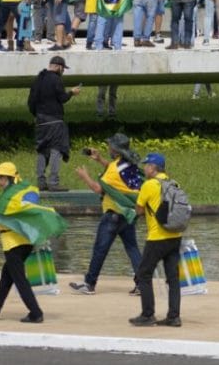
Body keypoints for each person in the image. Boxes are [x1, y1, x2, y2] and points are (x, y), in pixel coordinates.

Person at [0, 161, 51, 324]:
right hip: (28, 240)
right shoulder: (27, 189)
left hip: (13, 243)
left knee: (20, 279)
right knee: (7, 275)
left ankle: (36, 312)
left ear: (5, 178)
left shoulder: (8, 196)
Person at [70, 133, 143, 297]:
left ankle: (89, 284)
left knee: (100, 250)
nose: (108, 148)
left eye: (110, 146)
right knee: (132, 249)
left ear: (116, 150)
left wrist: (85, 177)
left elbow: (98, 188)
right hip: (128, 213)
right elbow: (114, 170)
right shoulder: (128, 163)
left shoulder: (113, 170)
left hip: (112, 215)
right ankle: (142, 284)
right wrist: (99, 160)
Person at [129, 152, 185, 328]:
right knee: (173, 278)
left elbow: (138, 210)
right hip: (175, 236)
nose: (144, 168)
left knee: (143, 274)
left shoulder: (149, 185)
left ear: (153, 168)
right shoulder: (174, 183)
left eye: (146, 165)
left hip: (157, 237)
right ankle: (174, 317)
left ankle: (147, 315)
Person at [28, 54, 77, 191]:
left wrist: (36, 115)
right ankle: (54, 182)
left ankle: (41, 181)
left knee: (42, 149)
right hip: (54, 120)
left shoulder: (38, 79)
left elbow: (31, 101)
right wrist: (71, 93)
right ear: (59, 67)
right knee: (56, 149)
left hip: (40, 120)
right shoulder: (56, 80)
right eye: (63, 69)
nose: (63, 71)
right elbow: (62, 98)